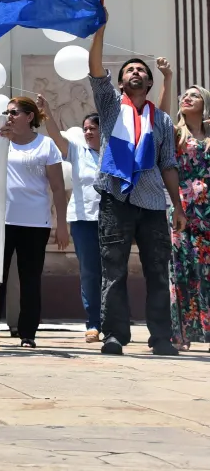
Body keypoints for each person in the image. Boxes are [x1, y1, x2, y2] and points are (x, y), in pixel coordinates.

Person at [88, 25, 185, 356]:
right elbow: (96, 72)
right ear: (121, 82)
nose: (135, 72)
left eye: (141, 70)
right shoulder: (112, 107)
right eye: (130, 69)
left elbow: (169, 164)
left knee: (157, 272)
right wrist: (98, 32)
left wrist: (179, 207)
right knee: (113, 271)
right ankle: (114, 335)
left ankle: (161, 337)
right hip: (116, 199)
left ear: (149, 82)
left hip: (154, 203)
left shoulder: (162, 120)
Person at [0, 97, 69, 348]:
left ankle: (28, 333)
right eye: (6, 112)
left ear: (29, 117)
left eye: (14, 112)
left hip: (35, 223)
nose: (9, 116)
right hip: (1, 220)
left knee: (30, 280)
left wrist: (61, 224)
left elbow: (58, 188)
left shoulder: (46, 145)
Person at [38, 96, 103, 343]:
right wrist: (47, 113)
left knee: (112, 272)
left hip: (112, 221)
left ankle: (114, 319)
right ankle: (93, 322)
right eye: (85, 128)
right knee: (89, 271)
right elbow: (56, 137)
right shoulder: (78, 151)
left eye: (93, 129)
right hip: (84, 220)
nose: (87, 132)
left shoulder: (112, 152)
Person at [169, 85, 210, 351]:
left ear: (205, 103)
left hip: (207, 210)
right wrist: (167, 78)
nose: (187, 98)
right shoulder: (176, 134)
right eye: (184, 95)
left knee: (206, 270)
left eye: (194, 95)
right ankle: (181, 334)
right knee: (181, 268)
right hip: (182, 207)